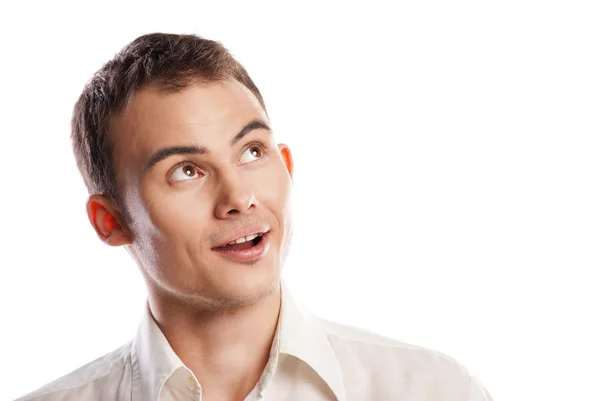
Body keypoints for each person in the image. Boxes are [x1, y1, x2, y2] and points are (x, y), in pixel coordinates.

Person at [16, 33, 492, 401]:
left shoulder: (433, 390)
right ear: (110, 221)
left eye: (251, 151)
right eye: (186, 171)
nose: (239, 198)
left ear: (286, 166)